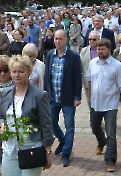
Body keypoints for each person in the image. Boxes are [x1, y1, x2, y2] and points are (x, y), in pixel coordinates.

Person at [0, 55, 54, 175]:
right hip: (9, 149)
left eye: (21, 72)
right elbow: (0, 116)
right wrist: (1, 124)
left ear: (28, 73)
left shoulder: (39, 95)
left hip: (31, 149)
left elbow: (46, 125)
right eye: (14, 71)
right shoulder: (5, 93)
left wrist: (48, 152)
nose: (17, 75)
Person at [86, 38, 121, 172]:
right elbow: (89, 81)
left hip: (110, 104)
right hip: (95, 103)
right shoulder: (93, 63)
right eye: (98, 49)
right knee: (94, 127)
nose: (100, 51)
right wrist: (89, 98)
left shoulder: (117, 66)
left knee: (111, 133)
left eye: (103, 49)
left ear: (109, 49)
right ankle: (101, 141)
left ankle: (110, 160)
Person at [44, 29, 82, 167]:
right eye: (55, 39)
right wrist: (45, 94)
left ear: (66, 40)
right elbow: (46, 76)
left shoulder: (73, 56)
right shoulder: (49, 55)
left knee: (69, 126)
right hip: (52, 98)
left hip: (68, 98)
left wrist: (77, 96)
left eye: (60, 39)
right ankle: (63, 140)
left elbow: (78, 78)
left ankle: (66, 153)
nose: (57, 41)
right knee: (51, 123)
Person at [80, 31, 100, 108]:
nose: (91, 41)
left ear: (98, 39)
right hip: (87, 80)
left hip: (100, 81)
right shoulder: (83, 51)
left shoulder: (102, 50)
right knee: (90, 101)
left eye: (94, 39)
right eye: (90, 39)